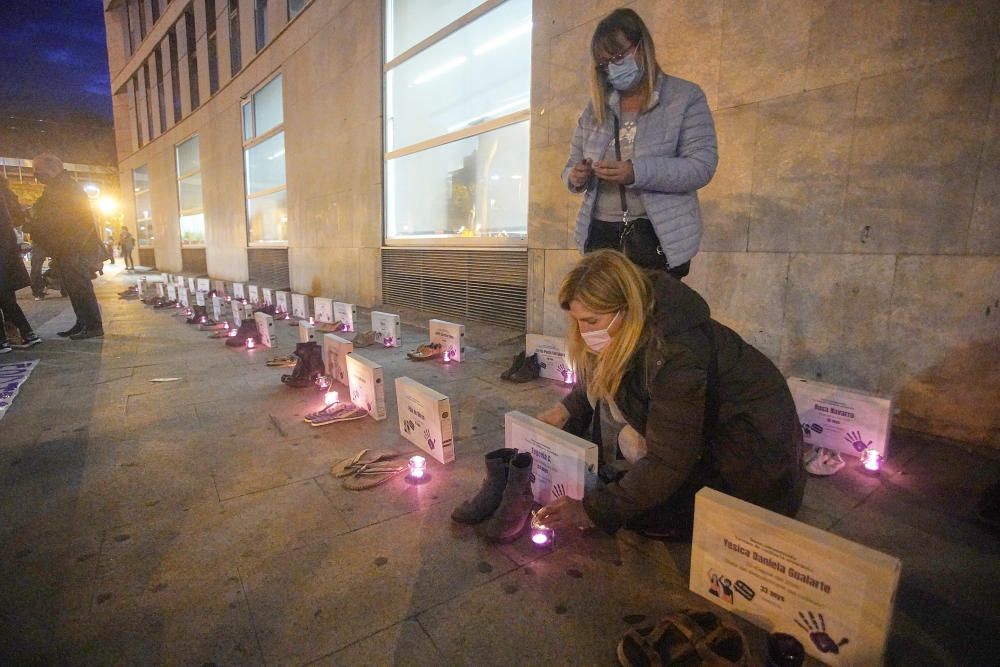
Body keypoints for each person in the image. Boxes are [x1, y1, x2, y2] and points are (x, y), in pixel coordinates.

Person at [534, 250, 804, 537]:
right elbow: (599, 376)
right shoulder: (632, 324)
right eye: (576, 320)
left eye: (591, 321)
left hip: (755, 471)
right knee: (631, 486)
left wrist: (590, 511)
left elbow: (669, 460)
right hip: (709, 440)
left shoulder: (676, 352)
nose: (583, 331)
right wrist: (564, 411)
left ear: (625, 309)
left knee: (642, 515)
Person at [562, 8, 718, 278]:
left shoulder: (684, 97)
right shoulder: (594, 109)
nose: (612, 67)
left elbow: (701, 166)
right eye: (604, 63)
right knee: (607, 318)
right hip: (601, 235)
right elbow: (569, 169)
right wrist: (577, 176)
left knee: (655, 317)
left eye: (619, 56)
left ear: (641, 46)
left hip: (656, 236)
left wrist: (637, 172)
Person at [27, 154, 104, 339]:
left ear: (53, 169)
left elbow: (63, 217)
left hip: (74, 246)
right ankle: (83, 322)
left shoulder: (67, 187)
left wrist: (38, 220)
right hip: (65, 246)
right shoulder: (56, 187)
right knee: (73, 287)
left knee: (80, 286)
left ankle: (93, 325)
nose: (36, 175)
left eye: (38, 170)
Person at [0, 176, 41, 353]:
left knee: (4, 294)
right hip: (5, 247)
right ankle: (25, 332)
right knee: (6, 294)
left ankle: (4, 340)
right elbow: (17, 217)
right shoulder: (5, 191)